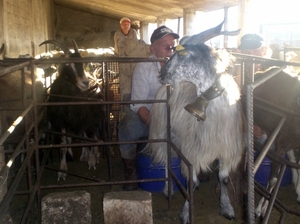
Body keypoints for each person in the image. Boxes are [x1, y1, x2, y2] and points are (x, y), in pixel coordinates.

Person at [118, 26, 179, 191]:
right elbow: (139, 104)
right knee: (128, 126)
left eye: (172, 44)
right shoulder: (143, 68)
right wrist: (159, 127)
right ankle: (130, 170)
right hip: (148, 117)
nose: (170, 48)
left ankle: (195, 165)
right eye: (164, 44)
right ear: (152, 49)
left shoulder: (181, 67)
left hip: (174, 115)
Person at [113, 17, 150, 110]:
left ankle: (137, 107)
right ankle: (126, 108)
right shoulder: (117, 35)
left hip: (134, 65)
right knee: (126, 88)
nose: (126, 26)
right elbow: (117, 49)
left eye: (128, 24)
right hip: (124, 67)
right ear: (121, 25)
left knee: (137, 85)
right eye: (124, 24)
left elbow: (139, 46)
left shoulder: (134, 33)